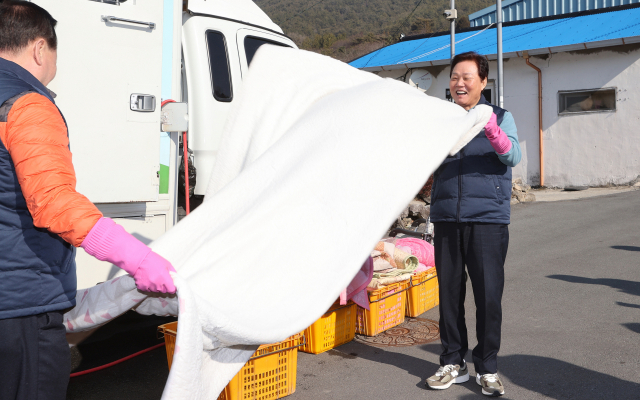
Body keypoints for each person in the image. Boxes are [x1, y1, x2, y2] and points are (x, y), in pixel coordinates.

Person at [0, 2, 176, 399]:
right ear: (40, 49)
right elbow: (54, 201)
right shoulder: (25, 104)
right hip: (18, 307)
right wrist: (136, 257)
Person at [425, 51, 521, 397]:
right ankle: (452, 362)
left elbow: (512, 156)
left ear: (483, 82)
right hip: (447, 217)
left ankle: (488, 366)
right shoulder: (440, 118)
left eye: (467, 77)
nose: (459, 83)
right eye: (454, 77)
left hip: (488, 220)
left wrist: (492, 130)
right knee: (449, 295)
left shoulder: (501, 117)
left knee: (488, 296)